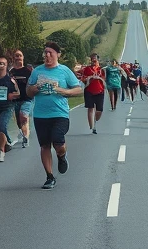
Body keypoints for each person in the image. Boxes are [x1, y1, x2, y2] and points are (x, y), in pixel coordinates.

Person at [27, 42, 83, 190]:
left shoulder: (64, 71)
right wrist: (35, 88)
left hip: (59, 113)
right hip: (40, 114)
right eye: (45, 52)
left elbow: (78, 90)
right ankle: (49, 177)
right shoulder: (37, 72)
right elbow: (28, 92)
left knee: (58, 141)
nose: (47, 55)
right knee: (44, 145)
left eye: (50, 52)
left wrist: (63, 91)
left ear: (57, 54)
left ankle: (61, 156)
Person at [0, 56, 21, 162]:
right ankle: (7, 143)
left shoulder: (10, 80)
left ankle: (1, 152)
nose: (1, 65)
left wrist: (12, 95)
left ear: (6, 66)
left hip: (6, 107)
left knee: (1, 127)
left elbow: (18, 93)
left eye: (3, 64)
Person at [10, 50, 34, 148]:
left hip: (27, 98)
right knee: (19, 121)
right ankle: (24, 131)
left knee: (23, 115)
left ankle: (26, 138)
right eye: (16, 56)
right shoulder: (11, 72)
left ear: (23, 57)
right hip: (15, 100)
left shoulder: (28, 70)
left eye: (20, 55)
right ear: (14, 58)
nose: (18, 57)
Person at [81, 53, 106, 134]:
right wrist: (89, 78)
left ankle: (95, 120)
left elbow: (104, 79)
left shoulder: (101, 70)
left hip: (100, 91)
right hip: (89, 90)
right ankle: (92, 127)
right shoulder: (87, 69)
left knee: (99, 110)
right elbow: (83, 78)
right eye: (92, 59)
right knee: (90, 108)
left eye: (95, 60)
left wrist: (99, 78)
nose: (93, 61)